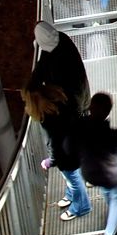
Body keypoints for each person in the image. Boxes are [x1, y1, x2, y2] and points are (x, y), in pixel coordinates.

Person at [22, 81, 90, 222]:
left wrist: (51, 161)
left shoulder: (48, 118)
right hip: (75, 144)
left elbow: (55, 142)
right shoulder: (59, 103)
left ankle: (81, 206)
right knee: (72, 176)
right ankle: (71, 195)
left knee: (73, 178)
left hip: (66, 153)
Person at [74, 94, 117, 235]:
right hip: (113, 175)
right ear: (108, 112)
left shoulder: (80, 127)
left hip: (91, 173)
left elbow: (69, 147)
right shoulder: (110, 134)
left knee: (108, 191)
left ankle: (111, 214)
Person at [33, 20, 91, 113]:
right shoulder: (61, 38)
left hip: (72, 104)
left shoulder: (52, 57)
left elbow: (40, 71)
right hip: (82, 97)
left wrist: (32, 87)